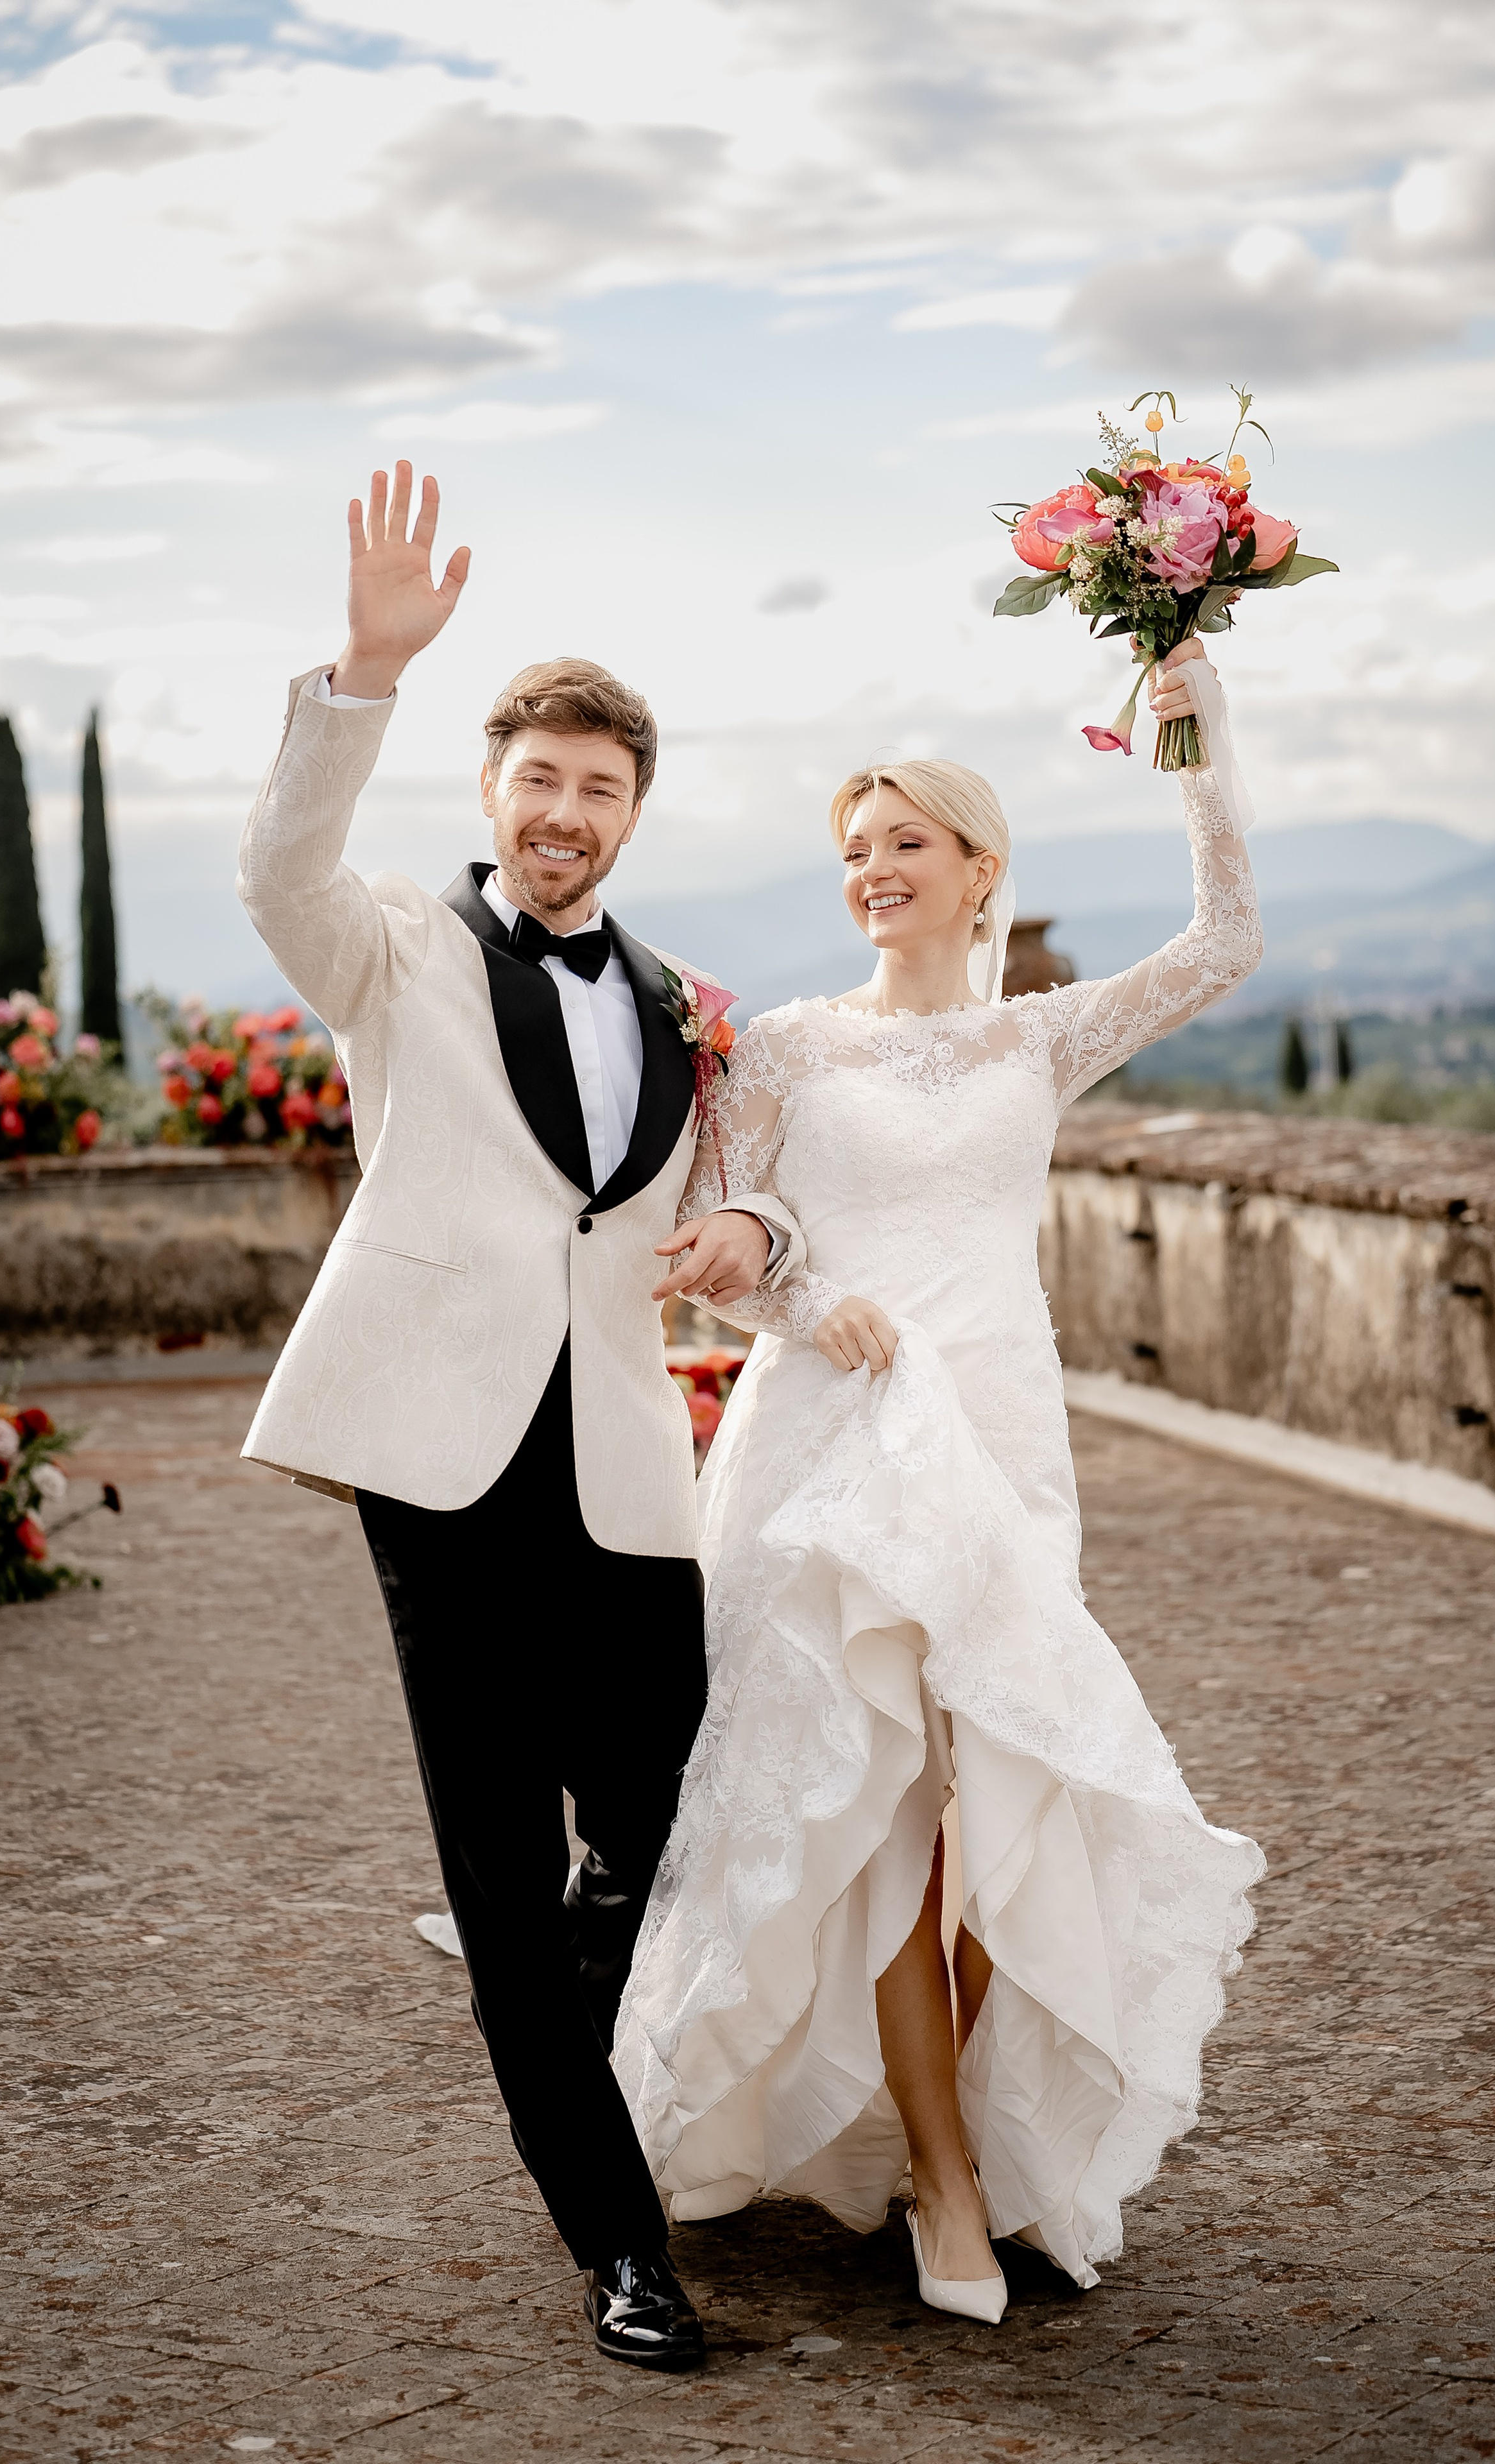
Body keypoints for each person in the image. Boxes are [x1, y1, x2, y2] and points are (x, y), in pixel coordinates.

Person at [615, 639, 1267, 2320]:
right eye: (856, 848)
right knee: (888, 1811)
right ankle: (939, 2174)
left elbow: (1226, 946)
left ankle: (979, 2118)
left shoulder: (1037, 1043)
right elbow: (730, 1245)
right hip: (831, 1444)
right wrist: (797, 1297)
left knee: (1007, 1790)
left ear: (980, 871)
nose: (874, 870)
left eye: (907, 842)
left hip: (998, 1436)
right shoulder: (778, 1050)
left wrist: (1195, 735)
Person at [236, 464, 803, 2371]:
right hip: (439, 1461)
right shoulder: (391, 947)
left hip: (636, 1467)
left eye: (601, 790)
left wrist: (755, 1226)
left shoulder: (677, 1005)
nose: (565, 815)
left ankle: (558, 1989)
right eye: (540, 780)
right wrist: (362, 674)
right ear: (494, 789)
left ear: (635, 814)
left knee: (662, 1832)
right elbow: (275, 876)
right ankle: (621, 2242)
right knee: (495, 1856)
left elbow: (748, 1185)